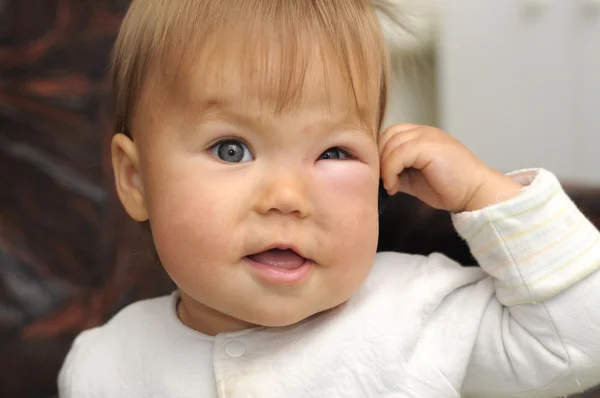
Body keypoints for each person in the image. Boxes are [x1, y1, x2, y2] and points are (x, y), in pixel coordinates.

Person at [58, 0, 600, 397]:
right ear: (136, 180)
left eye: (334, 153)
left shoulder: (419, 310)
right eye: (231, 150)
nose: (288, 198)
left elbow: (582, 339)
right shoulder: (101, 366)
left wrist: (488, 194)